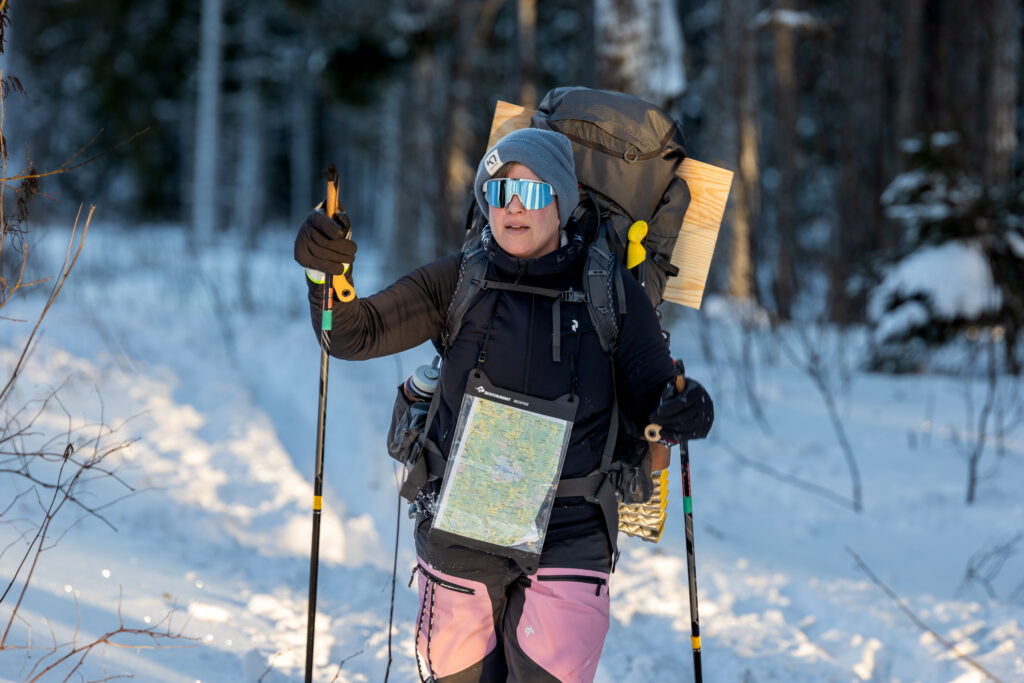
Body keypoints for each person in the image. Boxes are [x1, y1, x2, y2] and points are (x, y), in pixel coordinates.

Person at [294, 128, 714, 682]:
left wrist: (685, 409)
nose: (514, 207)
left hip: (572, 530)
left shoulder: (611, 291)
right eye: (499, 193)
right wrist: (325, 276)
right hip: (462, 521)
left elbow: (654, 396)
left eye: (534, 193)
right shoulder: (460, 278)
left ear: (562, 201)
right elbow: (350, 335)